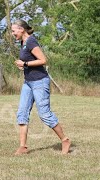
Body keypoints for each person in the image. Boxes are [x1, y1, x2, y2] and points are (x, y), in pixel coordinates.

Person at [11, 20, 71, 155]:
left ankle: (65, 140)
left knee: (44, 114)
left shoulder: (31, 41)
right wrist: (23, 66)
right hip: (28, 82)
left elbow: (43, 60)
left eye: (14, 30)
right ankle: (23, 147)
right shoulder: (23, 42)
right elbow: (31, 62)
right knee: (22, 113)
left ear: (21, 29)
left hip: (40, 82)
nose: (13, 33)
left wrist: (25, 63)